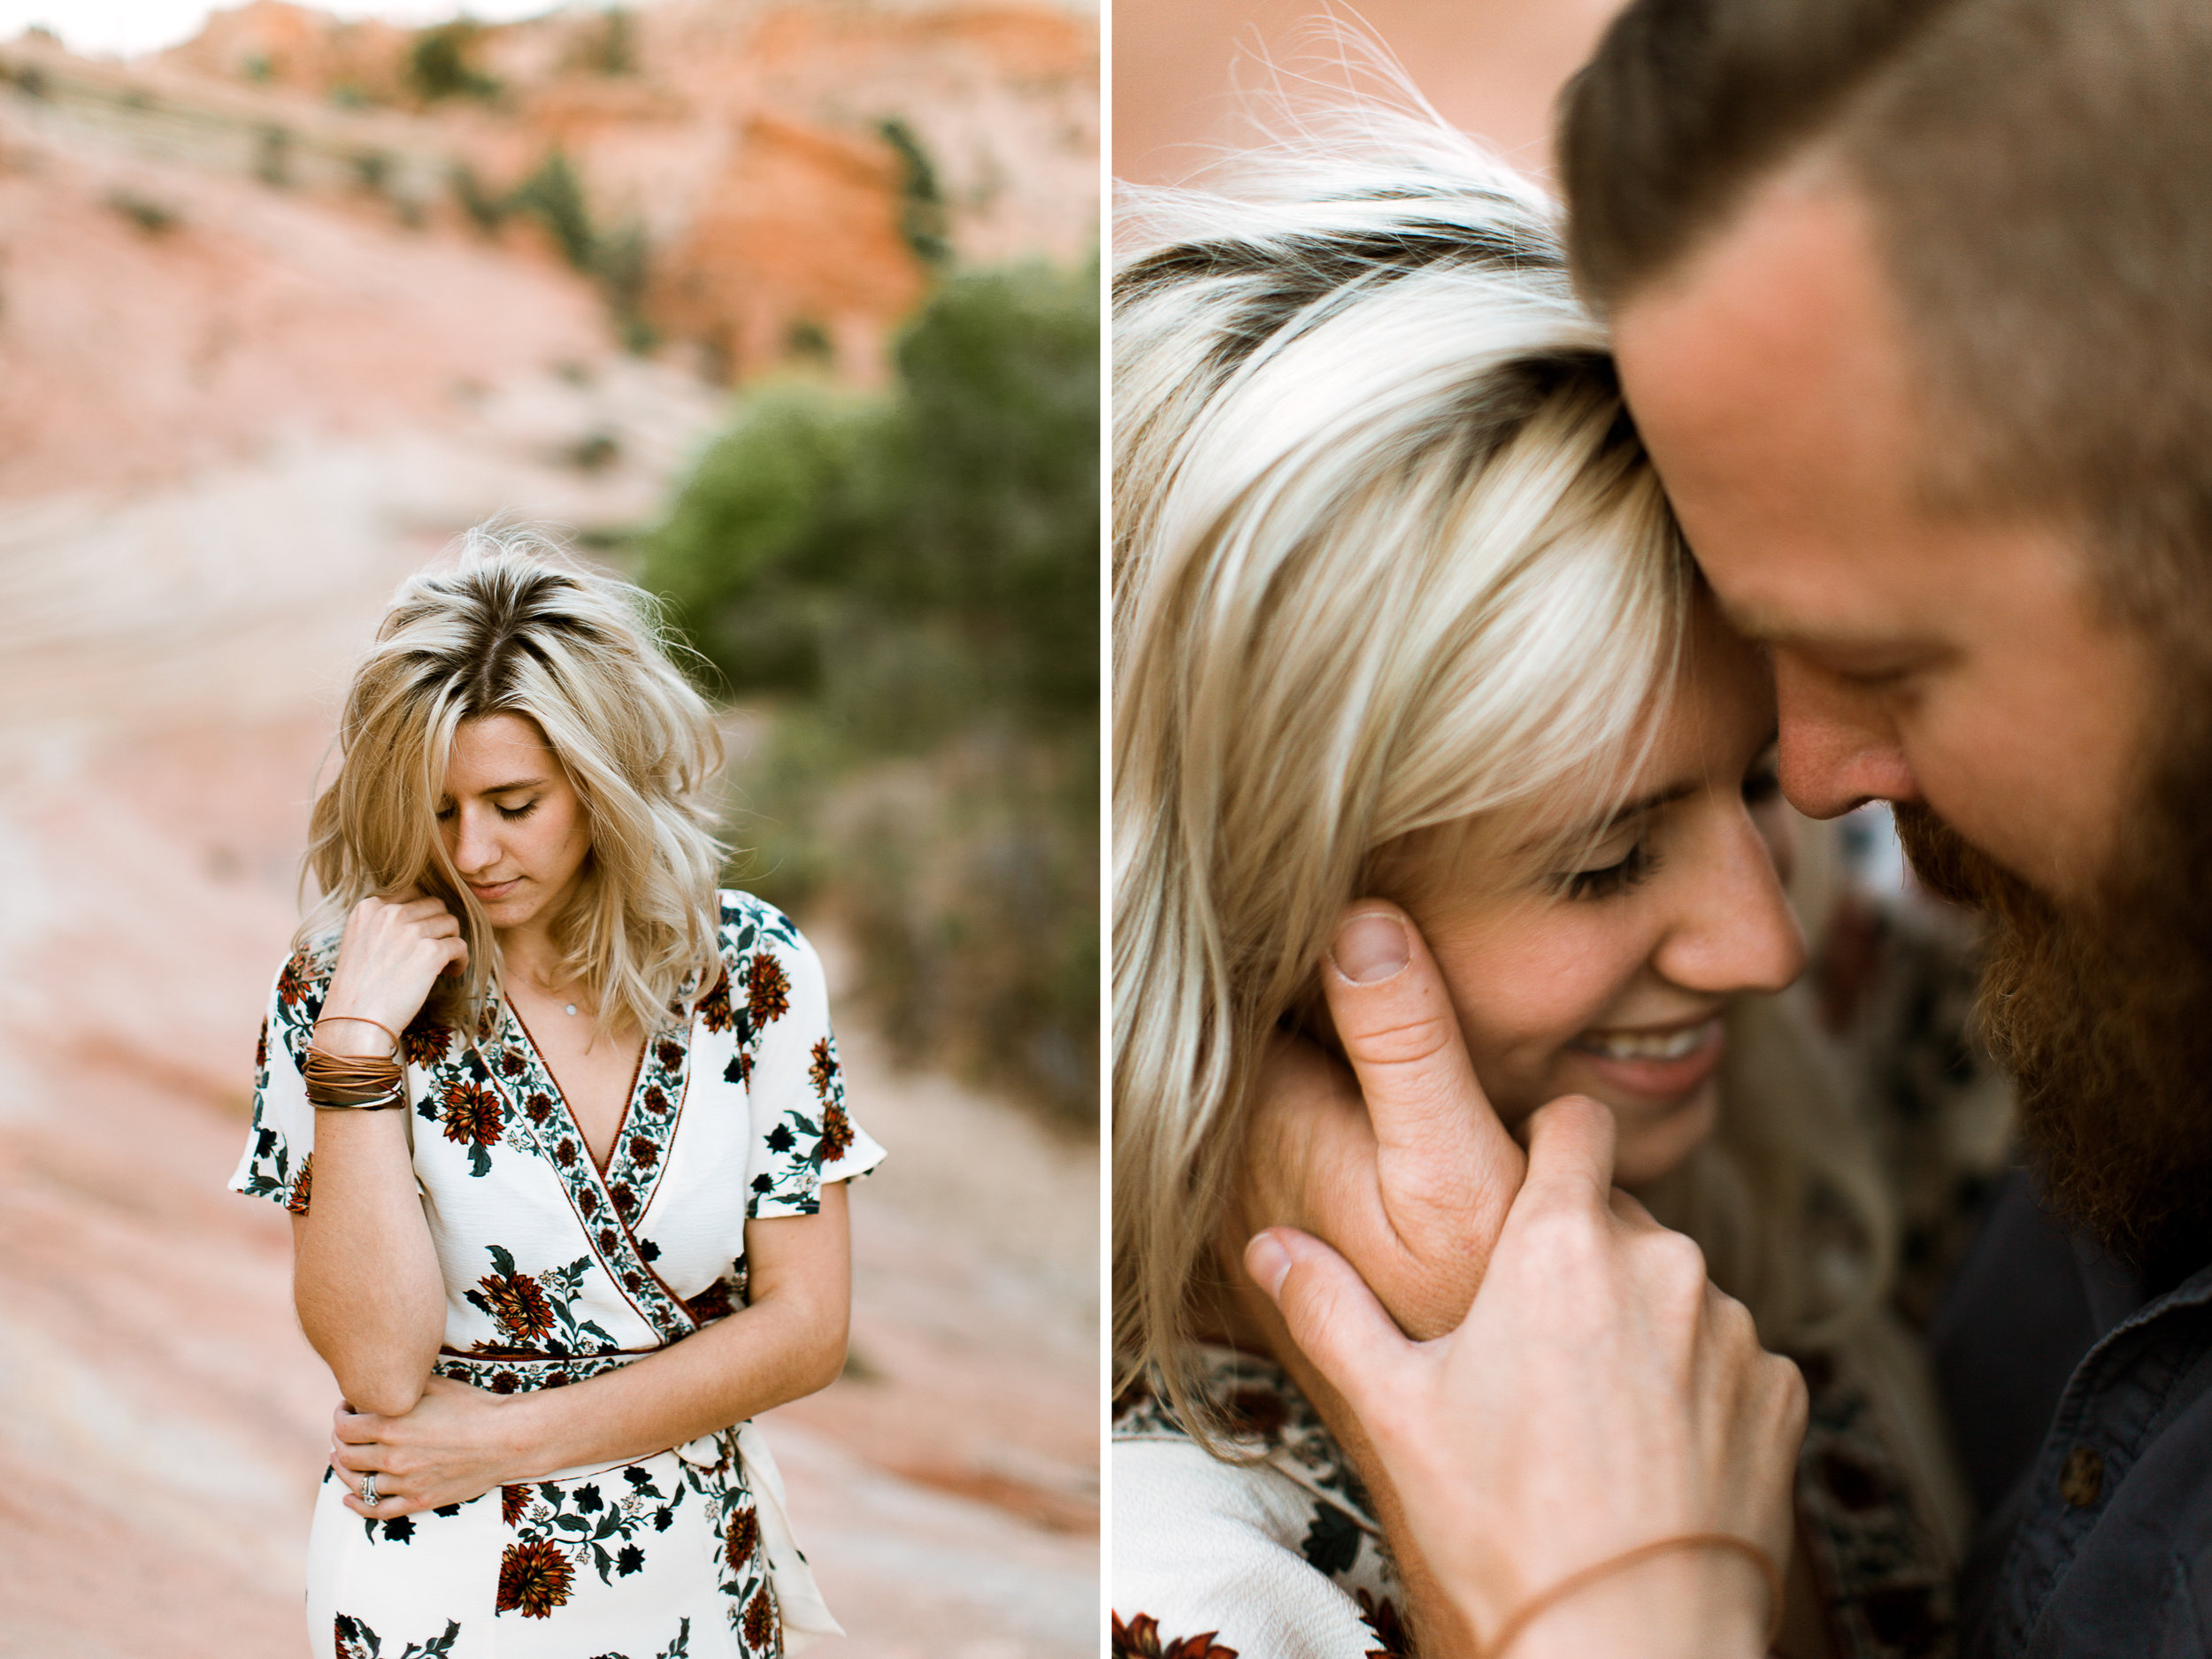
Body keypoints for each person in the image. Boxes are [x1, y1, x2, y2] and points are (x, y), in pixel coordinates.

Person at [1245, 0, 2212, 1655]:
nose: (1826, 794)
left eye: (1882, 664)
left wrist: (1617, 1610)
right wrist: (1247, 1114)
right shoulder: (2100, 973)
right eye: (1611, 849)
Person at [1111, 111, 1959, 1659]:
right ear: (1249, 908)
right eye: (1603, 862)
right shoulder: (1183, 1586)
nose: (1764, 941)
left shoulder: (1868, 1004)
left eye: (1763, 779)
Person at [229, 532, 883, 1658]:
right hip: (434, 1578)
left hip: (694, 1579)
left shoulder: (754, 973)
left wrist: (510, 1442)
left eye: (512, 803)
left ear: (598, 780)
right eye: (438, 812)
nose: (473, 852)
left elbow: (808, 1330)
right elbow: (379, 1370)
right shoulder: (342, 993)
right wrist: (353, 1049)